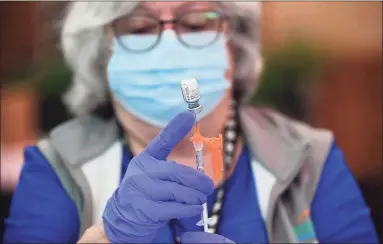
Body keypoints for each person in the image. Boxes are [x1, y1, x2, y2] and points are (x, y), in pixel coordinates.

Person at [3, 2, 379, 243]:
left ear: (234, 46)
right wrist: (108, 237)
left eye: (197, 22)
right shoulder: (57, 165)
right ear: (102, 57)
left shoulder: (310, 157)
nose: (170, 44)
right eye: (138, 29)